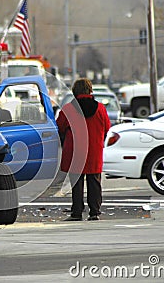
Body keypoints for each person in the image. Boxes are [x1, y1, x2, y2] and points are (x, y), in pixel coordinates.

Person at [56, 78, 111, 221]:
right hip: (94, 150)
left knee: (76, 183)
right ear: (89, 90)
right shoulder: (100, 108)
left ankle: (77, 212)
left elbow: (60, 126)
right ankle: (94, 212)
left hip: (75, 151)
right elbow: (107, 127)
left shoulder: (69, 109)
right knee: (94, 182)